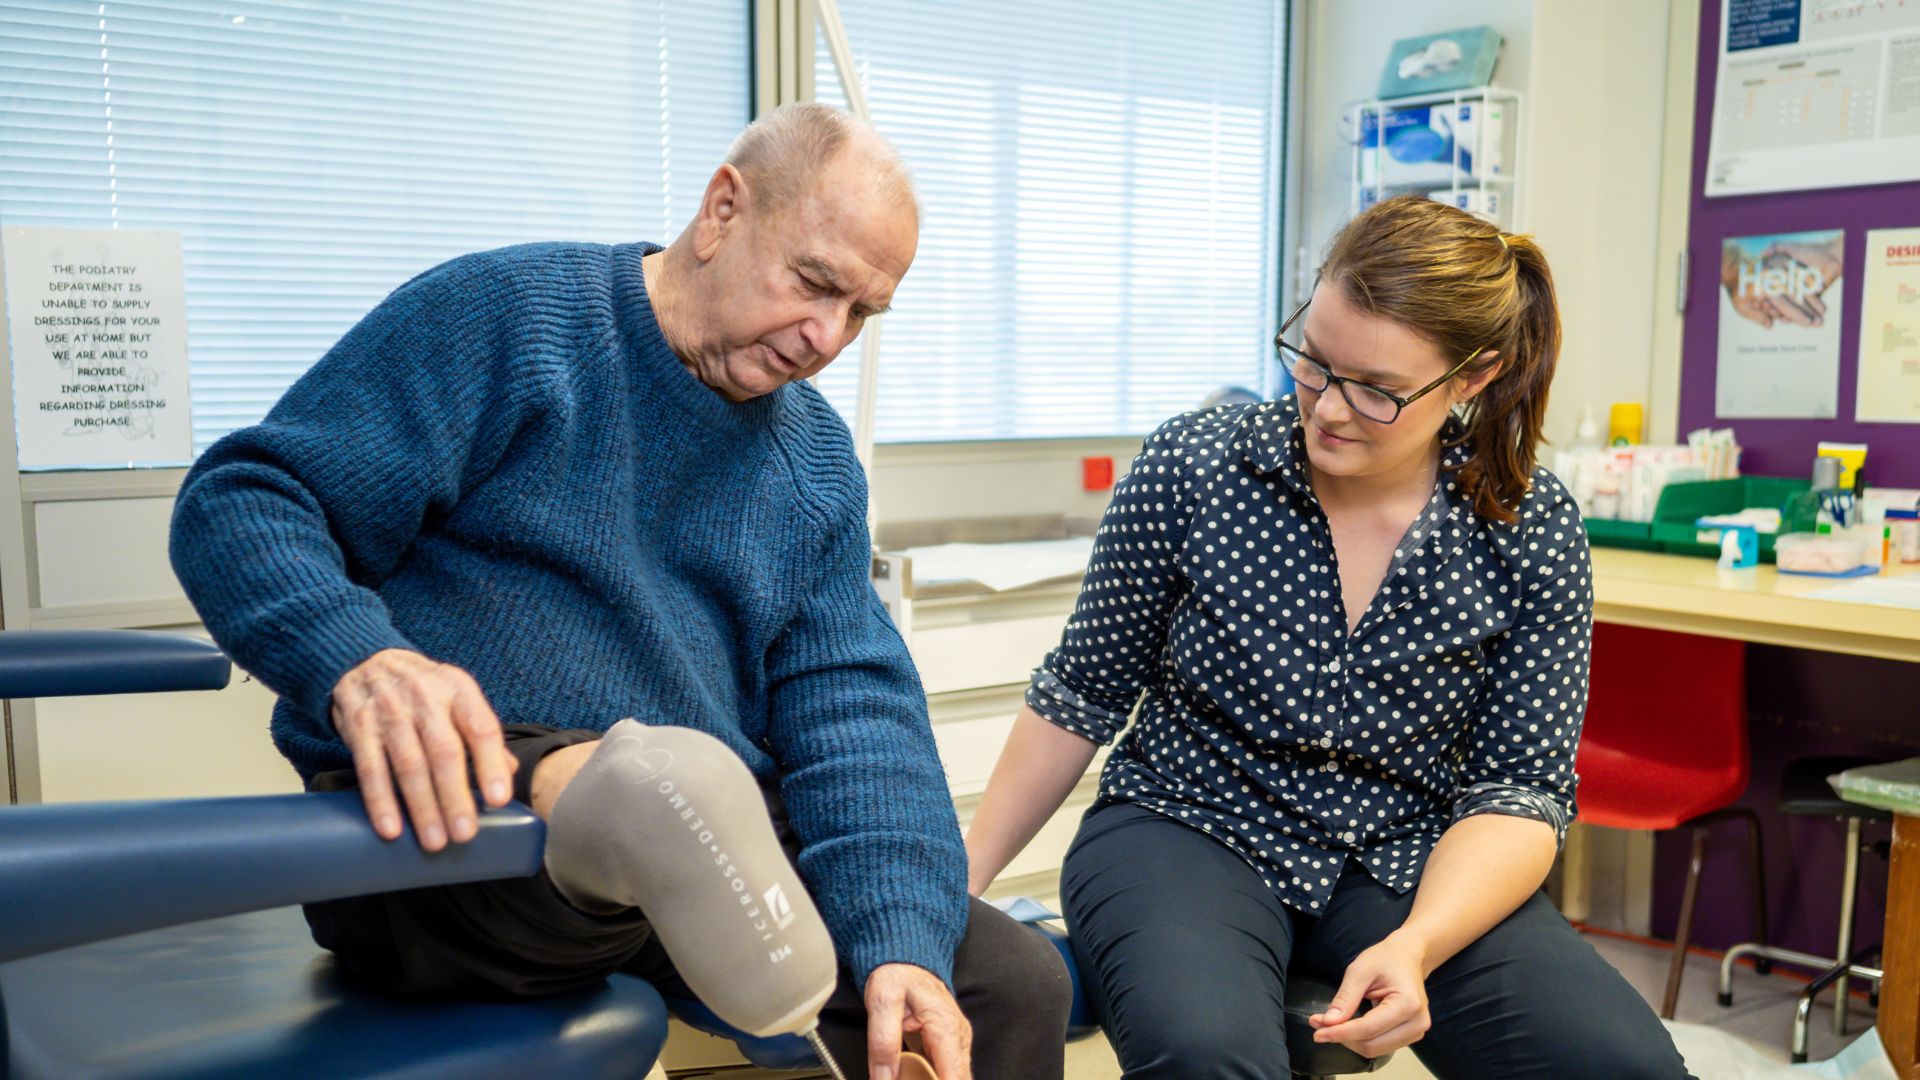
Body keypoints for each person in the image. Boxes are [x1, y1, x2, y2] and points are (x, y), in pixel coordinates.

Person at [169, 102, 1068, 1080]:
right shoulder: (507, 322)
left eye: (862, 313)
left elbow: (854, 708)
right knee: (659, 799)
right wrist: (359, 660)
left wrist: (900, 938)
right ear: (724, 209)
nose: (826, 337)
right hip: (458, 834)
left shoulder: (814, 463)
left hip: (701, 848)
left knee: (1006, 983)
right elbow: (247, 500)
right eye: (815, 284)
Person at [964, 195, 1695, 1078]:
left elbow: (1519, 792)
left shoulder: (1528, 527)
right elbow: (1081, 694)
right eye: (1314, 360)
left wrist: (1419, 945)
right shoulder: (1195, 466)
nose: (1330, 408)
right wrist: (953, 887)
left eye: (1377, 390)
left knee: (1623, 1068)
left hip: (1405, 858)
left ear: (1472, 379)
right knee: (1207, 1056)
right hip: (1189, 825)